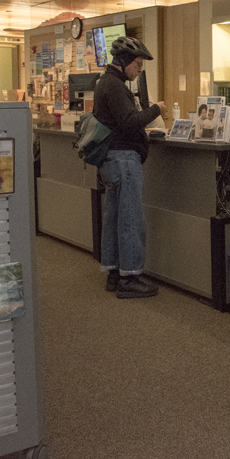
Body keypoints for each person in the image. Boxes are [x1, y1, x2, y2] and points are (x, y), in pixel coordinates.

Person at [93, 35, 166, 299]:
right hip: (123, 159)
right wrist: (156, 109)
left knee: (114, 219)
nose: (140, 69)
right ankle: (130, 276)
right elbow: (128, 121)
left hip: (113, 159)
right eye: (137, 63)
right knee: (131, 219)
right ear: (123, 61)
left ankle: (114, 272)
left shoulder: (107, 83)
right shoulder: (114, 86)